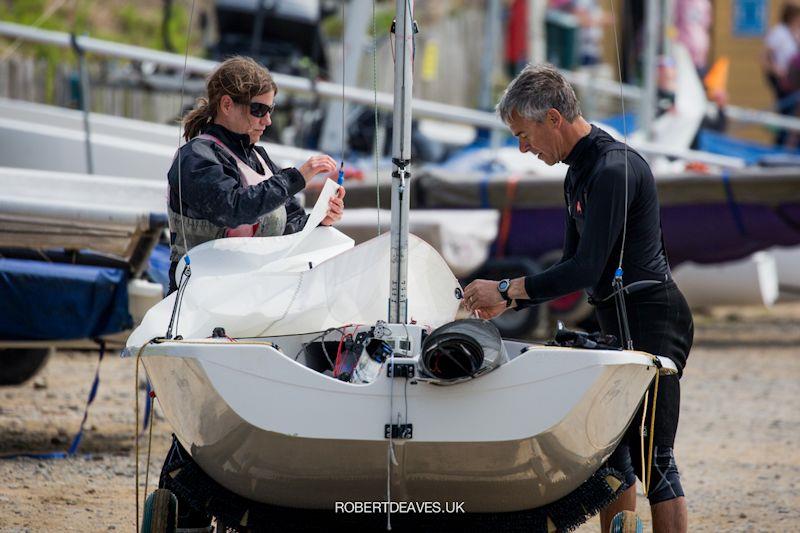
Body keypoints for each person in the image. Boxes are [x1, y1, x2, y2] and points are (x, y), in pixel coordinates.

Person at [463, 64, 692, 533]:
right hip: (615, 318)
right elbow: (570, 268)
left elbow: (587, 267)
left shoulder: (614, 167)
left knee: (654, 458)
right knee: (612, 457)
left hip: (653, 317)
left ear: (553, 117)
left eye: (524, 135)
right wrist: (511, 303)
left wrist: (507, 288)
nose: (522, 148)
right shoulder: (577, 173)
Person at [167, 56, 344, 292]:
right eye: (258, 109)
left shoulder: (260, 157)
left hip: (252, 296)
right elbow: (231, 209)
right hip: (198, 299)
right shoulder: (194, 158)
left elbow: (291, 225)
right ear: (227, 105)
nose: (268, 120)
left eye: (270, 110)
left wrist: (321, 220)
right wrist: (296, 177)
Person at [763, 2, 800, 145]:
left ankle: (789, 143)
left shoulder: (794, 32)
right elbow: (766, 56)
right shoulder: (779, 32)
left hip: (794, 79)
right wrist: (776, 70)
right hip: (784, 78)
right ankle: (780, 144)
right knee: (786, 113)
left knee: (793, 114)